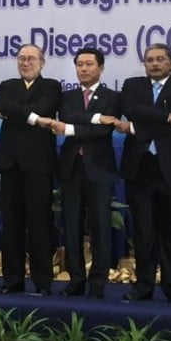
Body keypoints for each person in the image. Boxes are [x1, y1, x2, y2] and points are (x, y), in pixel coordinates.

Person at [119, 43, 171, 304]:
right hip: (140, 168)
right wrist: (168, 118)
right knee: (143, 231)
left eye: (160, 59)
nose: (154, 64)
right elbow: (132, 110)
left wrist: (140, 127)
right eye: (150, 59)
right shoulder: (132, 86)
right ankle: (143, 286)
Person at [50, 47, 122, 299]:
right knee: (71, 226)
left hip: (99, 169)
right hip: (71, 168)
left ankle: (98, 283)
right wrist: (97, 118)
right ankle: (76, 280)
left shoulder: (113, 96)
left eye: (89, 64)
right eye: (79, 64)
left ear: (100, 68)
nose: (83, 69)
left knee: (101, 226)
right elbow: (67, 116)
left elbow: (103, 132)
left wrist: (71, 129)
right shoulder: (67, 96)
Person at [0, 43, 62, 296]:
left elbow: (44, 108)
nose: (25, 63)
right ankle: (12, 280)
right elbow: (6, 106)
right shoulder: (8, 86)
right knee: (11, 224)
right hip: (11, 163)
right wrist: (34, 118)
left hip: (39, 165)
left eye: (31, 59)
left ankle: (42, 282)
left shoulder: (52, 86)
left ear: (42, 62)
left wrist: (23, 114)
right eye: (21, 58)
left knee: (39, 225)